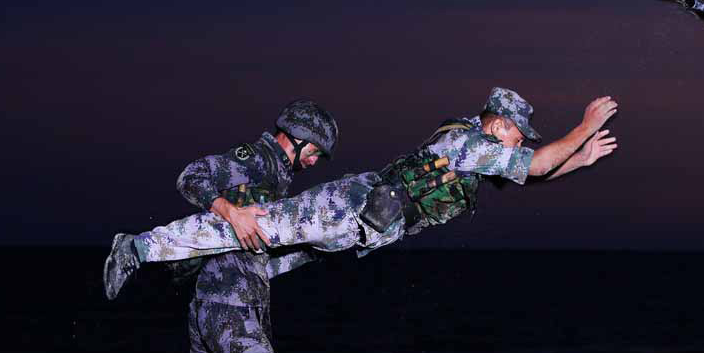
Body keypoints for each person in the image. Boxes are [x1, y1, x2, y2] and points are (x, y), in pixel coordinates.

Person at [104, 87, 618, 291]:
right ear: (498, 125)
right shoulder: (467, 144)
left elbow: (539, 171)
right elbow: (534, 165)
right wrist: (583, 127)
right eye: (516, 133)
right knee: (258, 223)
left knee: (270, 257)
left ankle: (185, 266)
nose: (519, 142)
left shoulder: (479, 153)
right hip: (351, 207)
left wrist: (581, 159)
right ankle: (140, 247)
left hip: (364, 228)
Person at [122, 99, 338, 353]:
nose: (314, 162)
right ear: (296, 139)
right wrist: (229, 211)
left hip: (222, 306)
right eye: (313, 152)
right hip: (228, 306)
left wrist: (314, 250)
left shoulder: (277, 180)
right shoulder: (255, 158)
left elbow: (257, 258)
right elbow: (191, 176)